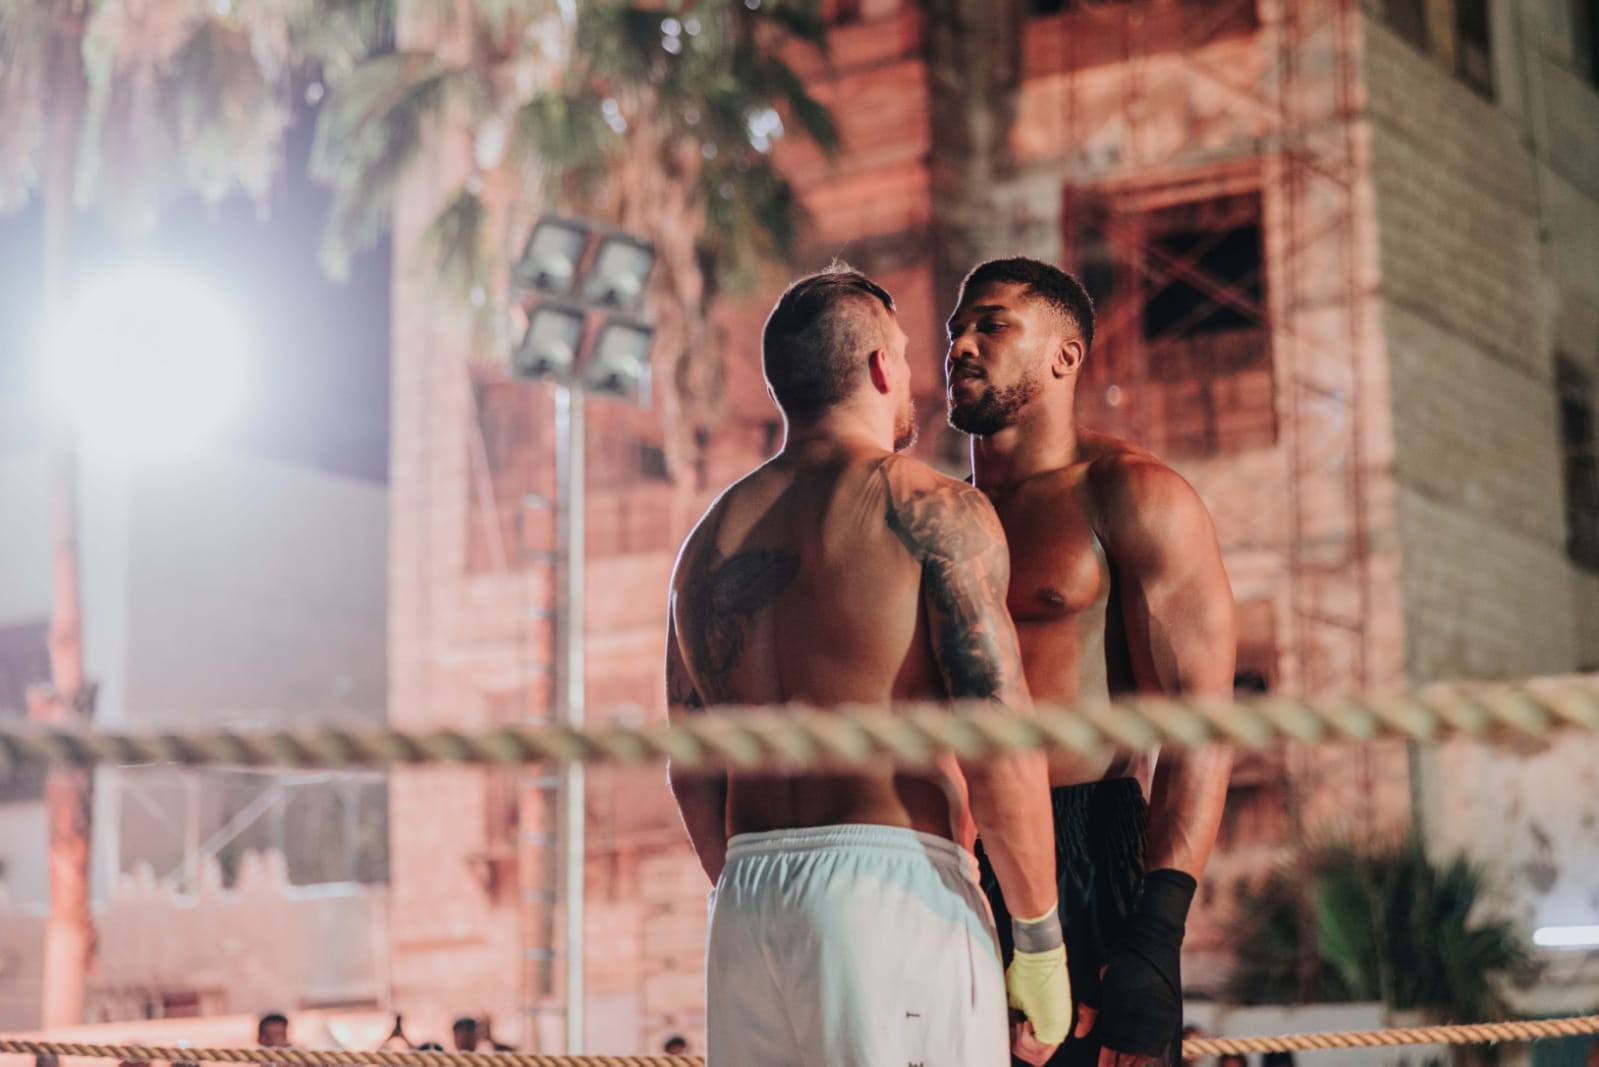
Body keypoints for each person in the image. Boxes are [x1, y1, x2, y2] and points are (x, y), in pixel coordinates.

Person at [667, 265, 1069, 1066]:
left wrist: (767, 896)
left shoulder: (706, 544)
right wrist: (1039, 942)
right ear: (881, 367)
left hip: (745, 904)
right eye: (909, 354)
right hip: (890, 889)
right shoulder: (930, 507)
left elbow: (691, 771)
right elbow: (996, 740)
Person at [945, 257, 1237, 1067]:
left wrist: (1157, 930)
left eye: (991, 325)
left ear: (1063, 355)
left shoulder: (1134, 494)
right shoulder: (935, 518)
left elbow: (1201, 723)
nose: (960, 345)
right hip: (948, 855)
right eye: (954, 329)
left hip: (1086, 847)